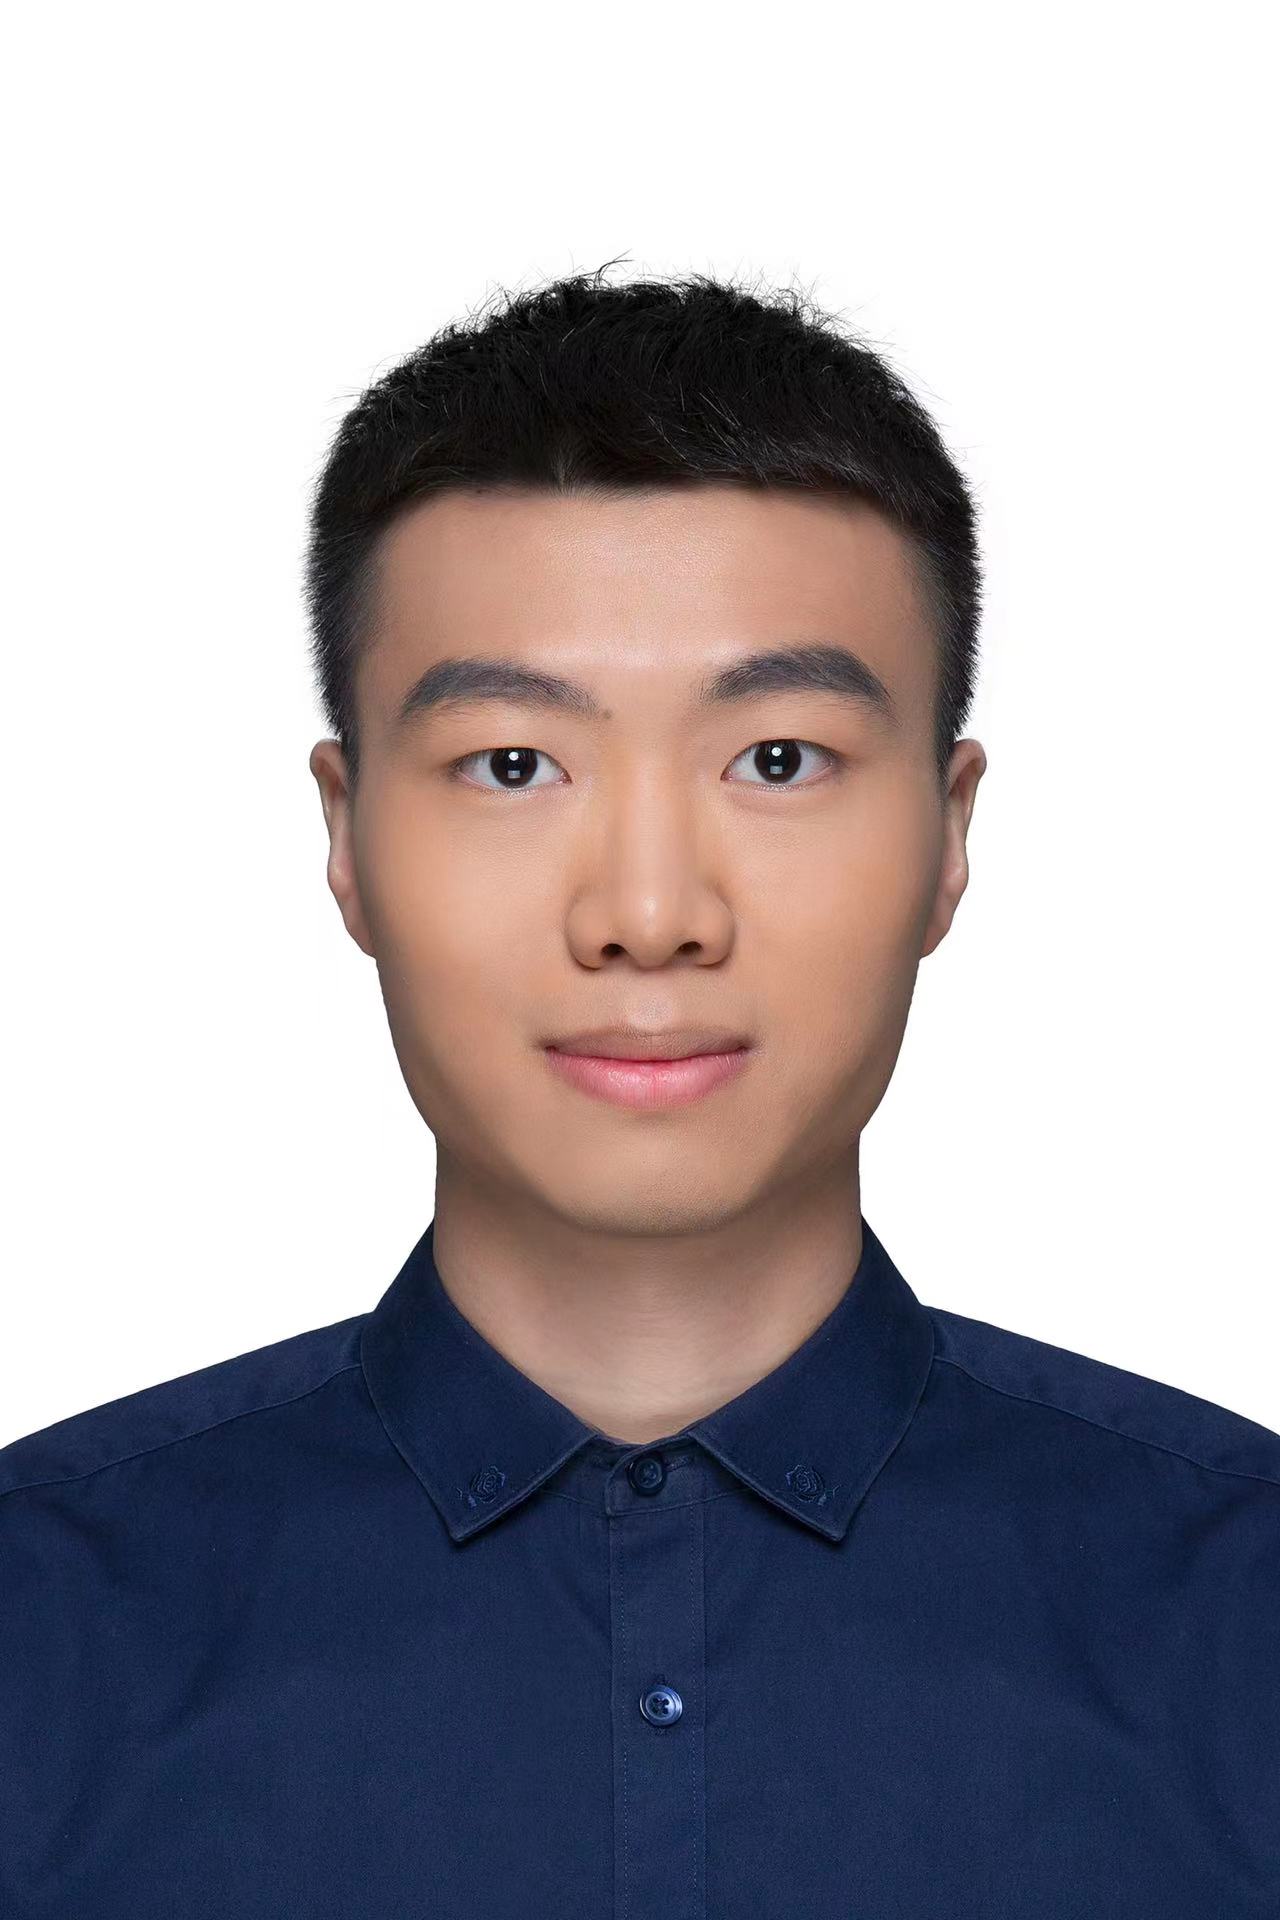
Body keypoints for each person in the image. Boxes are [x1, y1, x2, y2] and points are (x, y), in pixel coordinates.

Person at [2, 266, 1276, 1918]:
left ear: (949, 836)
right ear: (347, 837)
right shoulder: (44, 1633)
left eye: (778, 759)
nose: (651, 912)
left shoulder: (1240, 1625)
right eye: (513, 764)